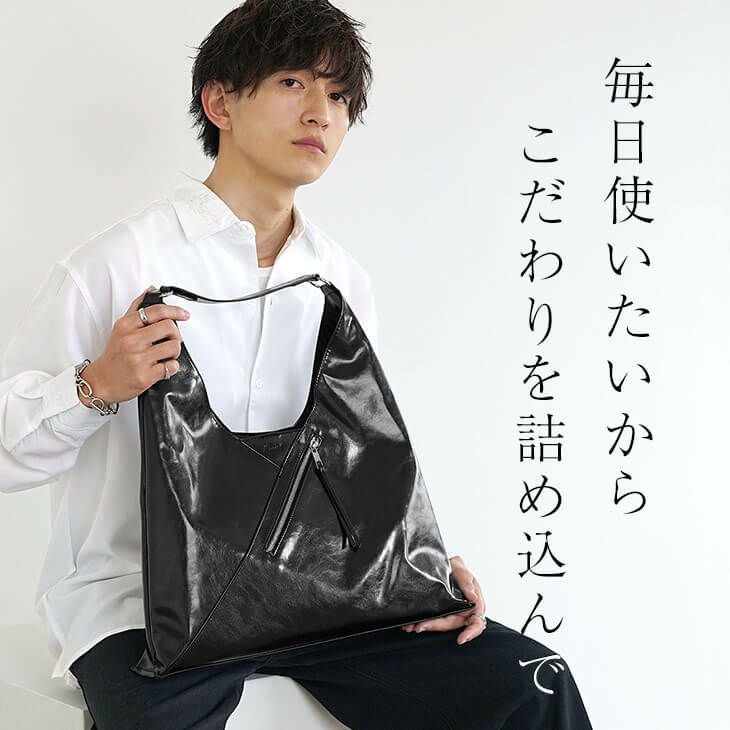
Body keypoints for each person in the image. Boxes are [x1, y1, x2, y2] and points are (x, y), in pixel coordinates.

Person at [0, 0, 594, 727]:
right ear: (220, 102)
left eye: (339, 96)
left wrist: (419, 562)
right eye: (293, 83)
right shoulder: (117, 264)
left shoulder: (340, 283)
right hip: (140, 603)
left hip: (323, 595)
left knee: (533, 684)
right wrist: (96, 385)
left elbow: (359, 463)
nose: (321, 113)